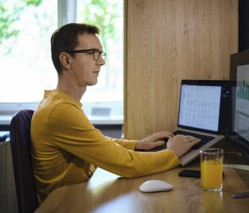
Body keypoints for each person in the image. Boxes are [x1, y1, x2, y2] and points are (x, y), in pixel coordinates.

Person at [31, 23, 200, 203]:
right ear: (66, 60)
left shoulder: (58, 102)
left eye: (101, 54)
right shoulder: (60, 111)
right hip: (65, 209)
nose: (101, 61)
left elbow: (96, 142)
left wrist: (137, 145)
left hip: (77, 198)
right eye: (92, 53)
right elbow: (127, 165)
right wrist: (173, 153)